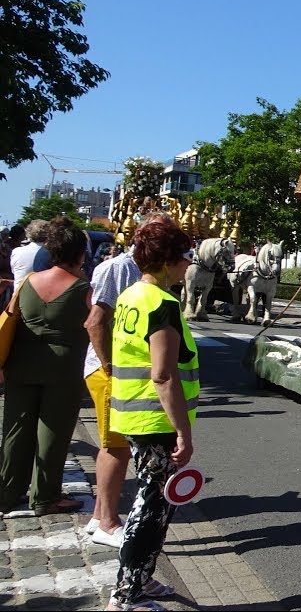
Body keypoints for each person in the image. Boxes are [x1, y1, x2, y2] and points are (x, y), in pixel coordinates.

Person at [106, 215, 199, 611]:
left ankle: (138, 581)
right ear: (166, 261)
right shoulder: (162, 304)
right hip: (155, 419)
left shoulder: (131, 295)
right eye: (183, 256)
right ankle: (127, 595)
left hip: (131, 413)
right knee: (152, 508)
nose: (187, 264)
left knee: (153, 502)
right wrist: (183, 432)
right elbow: (163, 375)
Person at [0, 217, 91, 517]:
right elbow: (97, 326)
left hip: (21, 364)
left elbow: (11, 317)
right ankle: (45, 496)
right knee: (53, 431)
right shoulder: (83, 288)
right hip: (62, 368)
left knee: (15, 429)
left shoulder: (26, 282)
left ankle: (6, 492)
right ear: (80, 254)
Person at [82, 238, 144, 548]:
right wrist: (110, 366)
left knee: (117, 445)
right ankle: (108, 522)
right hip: (109, 370)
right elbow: (95, 322)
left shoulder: (137, 268)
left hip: (118, 369)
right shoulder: (120, 268)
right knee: (115, 446)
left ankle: (97, 517)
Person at [10, 218, 52, 285]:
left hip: (18, 293)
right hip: (41, 292)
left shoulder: (16, 251)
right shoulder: (50, 253)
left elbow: (14, 272)